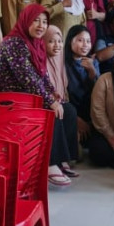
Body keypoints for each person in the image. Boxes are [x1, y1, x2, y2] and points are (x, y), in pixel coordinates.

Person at [0, 4, 77, 186]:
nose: (41, 25)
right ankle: (50, 164)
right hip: (13, 100)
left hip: (28, 95)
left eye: (44, 22)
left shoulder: (35, 43)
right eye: (36, 21)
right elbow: (27, 78)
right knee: (50, 111)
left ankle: (63, 159)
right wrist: (49, 101)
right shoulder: (14, 43)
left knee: (68, 110)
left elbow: (41, 74)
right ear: (25, 21)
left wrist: (53, 93)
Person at [43, 24, 81, 175]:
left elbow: (62, 89)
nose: (57, 45)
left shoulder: (59, 59)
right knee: (57, 114)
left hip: (56, 100)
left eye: (59, 41)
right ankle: (55, 160)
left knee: (70, 110)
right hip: (43, 101)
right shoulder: (40, 60)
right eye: (51, 41)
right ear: (43, 43)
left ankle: (66, 158)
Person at [64, 25, 100, 155]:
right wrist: (76, 119)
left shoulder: (93, 63)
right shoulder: (63, 64)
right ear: (70, 42)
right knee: (76, 155)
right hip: (71, 113)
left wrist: (92, 72)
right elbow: (63, 97)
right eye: (80, 40)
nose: (85, 45)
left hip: (90, 114)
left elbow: (99, 95)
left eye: (88, 41)